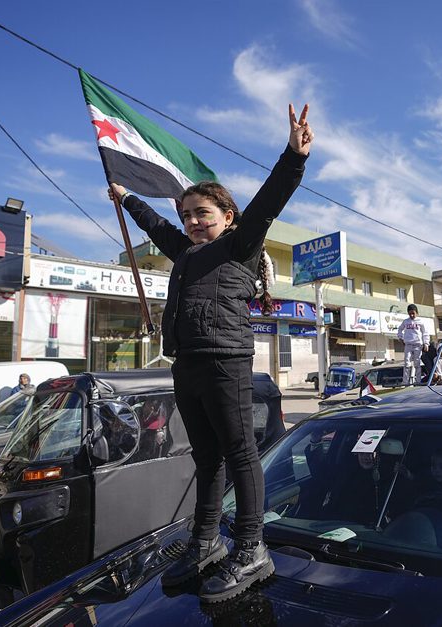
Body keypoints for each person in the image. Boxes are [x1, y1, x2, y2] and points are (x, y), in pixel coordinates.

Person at [107, 104, 313, 601]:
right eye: (187, 216)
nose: (194, 223)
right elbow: (158, 228)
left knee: (241, 454)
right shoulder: (187, 252)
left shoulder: (240, 245)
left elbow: (269, 201)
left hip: (226, 360)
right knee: (206, 457)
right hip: (188, 364)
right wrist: (128, 198)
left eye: (203, 214)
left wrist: (294, 156)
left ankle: (250, 549)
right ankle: (205, 543)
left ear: (227, 217)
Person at [397, 304, 430, 385]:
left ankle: (418, 381)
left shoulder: (420, 322)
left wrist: (426, 343)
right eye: (410, 313)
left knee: (417, 363)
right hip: (408, 345)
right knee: (407, 363)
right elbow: (400, 329)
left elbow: (425, 333)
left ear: (417, 313)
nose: (412, 315)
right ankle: (405, 381)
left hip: (418, 345)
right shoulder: (405, 321)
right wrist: (400, 338)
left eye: (413, 313)